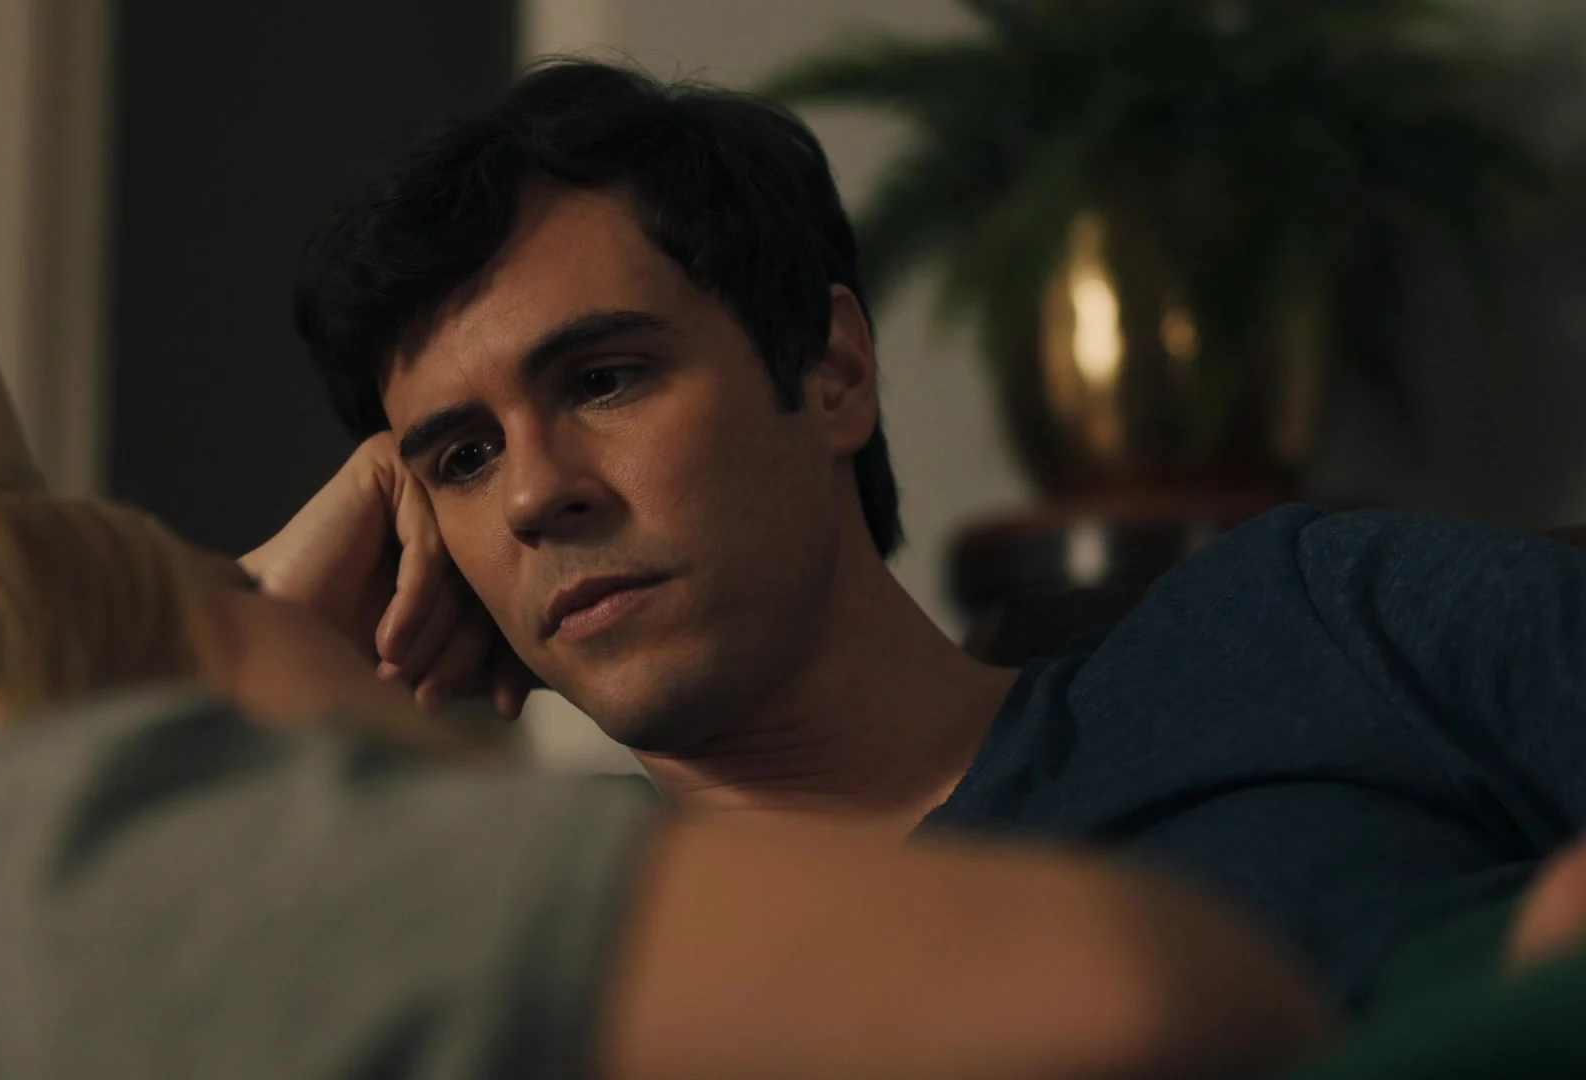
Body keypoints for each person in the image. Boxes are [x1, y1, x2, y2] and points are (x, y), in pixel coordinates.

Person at [245, 58, 1586, 1012]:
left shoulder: (1303, 624)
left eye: (603, 379)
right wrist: (251, 643)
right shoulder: (547, 963)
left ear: (830, 370)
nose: (535, 494)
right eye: (462, 459)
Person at [0, 490, 1330, 1080]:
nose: (525, 501)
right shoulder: (17, 893)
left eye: (605, 379)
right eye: (242, 589)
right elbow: (1141, 982)